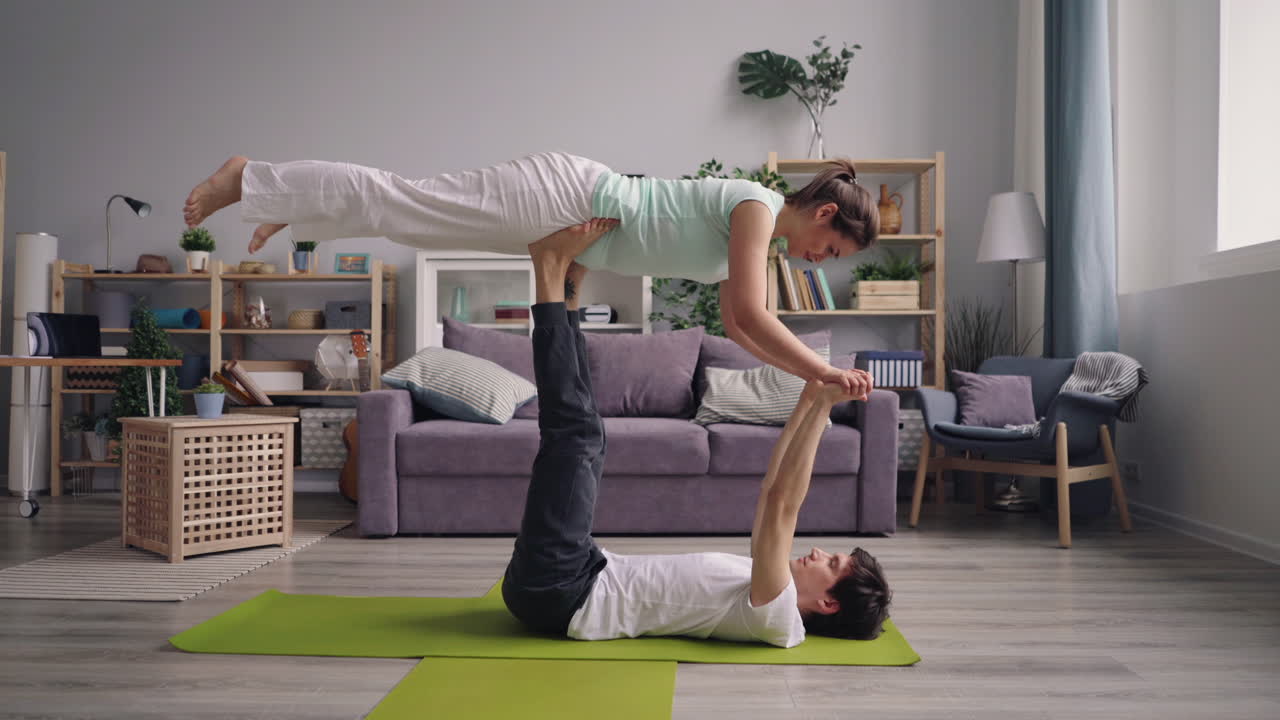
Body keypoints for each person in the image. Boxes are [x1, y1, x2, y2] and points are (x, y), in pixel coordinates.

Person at [182, 151, 880, 395]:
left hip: (567, 218)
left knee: (410, 216)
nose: (824, 264)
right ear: (823, 215)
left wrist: (802, 381)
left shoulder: (756, 238)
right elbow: (757, 318)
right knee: (409, 200)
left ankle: (280, 199)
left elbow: (736, 325)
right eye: (834, 252)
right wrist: (820, 371)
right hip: (566, 196)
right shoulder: (757, 207)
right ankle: (253, 178)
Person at [500, 219, 891, 647]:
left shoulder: (778, 617)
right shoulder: (766, 588)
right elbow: (771, 487)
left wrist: (822, 410)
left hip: (561, 593)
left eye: (832, 564)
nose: (820, 553)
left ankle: (547, 266)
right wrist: (812, 398)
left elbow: (783, 503)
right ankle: (567, 286)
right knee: (589, 434)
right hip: (584, 571)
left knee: (576, 436)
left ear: (829, 604)